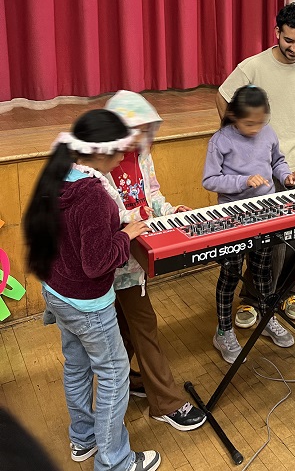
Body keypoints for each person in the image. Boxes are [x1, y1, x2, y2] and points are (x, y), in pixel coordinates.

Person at [23, 109, 161, 471]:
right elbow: (97, 263)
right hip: (89, 304)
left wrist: (117, 224)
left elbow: (73, 235)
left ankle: (82, 440)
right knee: (115, 374)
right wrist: (126, 234)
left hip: (57, 293)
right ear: (101, 152)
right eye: (120, 152)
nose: (123, 158)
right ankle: (114, 460)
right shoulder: (94, 195)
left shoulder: (58, 177)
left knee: (77, 367)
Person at [215, 2, 295, 327]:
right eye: (289, 40)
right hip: (264, 171)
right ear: (276, 32)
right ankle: (252, 299)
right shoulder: (253, 67)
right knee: (265, 241)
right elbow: (223, 96)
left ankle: (289, 292)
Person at [103, 90, 206, 431]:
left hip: (135, 258)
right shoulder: (100, 166)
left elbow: (154, 196)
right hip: (115, 259)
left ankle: (130, 381)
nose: (138, 138)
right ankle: (166, 402)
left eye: (143, 130)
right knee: (144, 326)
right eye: (133, 130)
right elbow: (109, 214)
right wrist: (139, 215)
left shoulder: (142, 155)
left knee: (127, 326)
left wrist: (170, 211)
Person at [203, 85, 295, 363]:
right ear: (234, 116)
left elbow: (277, 162)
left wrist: (287, 177)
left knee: (262, 270)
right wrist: (242, 182)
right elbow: (210, 180)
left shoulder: (267, 133)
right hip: (233, 213)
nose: (255, 128)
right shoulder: (221, 140)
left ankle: (267, 318)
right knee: (231, 272)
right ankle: (223, 331)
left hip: (265, 211)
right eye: (249, 123)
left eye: (260, 122)